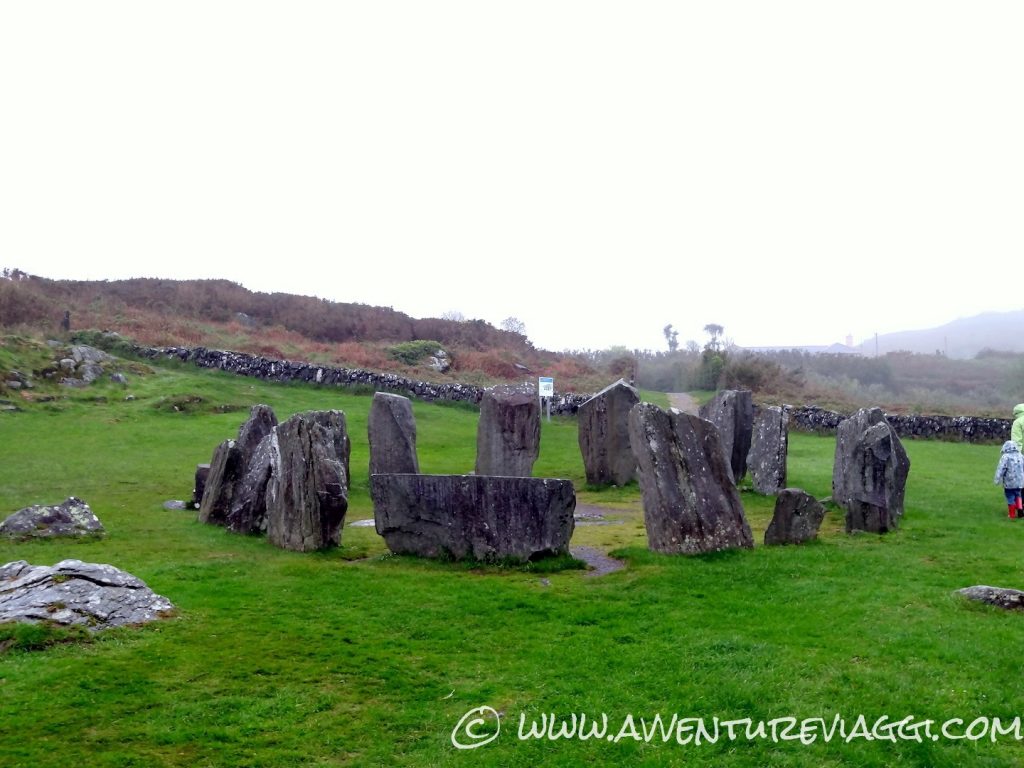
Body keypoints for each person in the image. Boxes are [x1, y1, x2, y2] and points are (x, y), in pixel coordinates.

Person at [994, 440, 1024, 519]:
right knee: (1018, 495)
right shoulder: (1021, 456)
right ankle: (1020, 509)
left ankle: (1012, 514)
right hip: (1020, 482)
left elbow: (1001, 468)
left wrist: (997, 479)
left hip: (1009, 482)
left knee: (1010, 496)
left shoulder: (1006, 457)